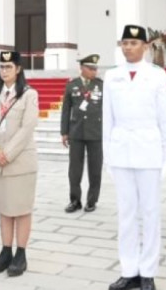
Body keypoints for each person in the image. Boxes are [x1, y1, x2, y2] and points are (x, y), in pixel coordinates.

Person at [103, 25, 166, 290]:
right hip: (121, 150)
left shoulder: (157, 75)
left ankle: (148, 272)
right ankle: (129, 270)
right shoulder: (112, 75)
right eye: (125, 43)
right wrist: (108, 156)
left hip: (149, 150)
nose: (128, 47)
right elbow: (107, 119)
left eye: (133, 43)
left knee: (150, 212)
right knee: (126, 214)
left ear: (145, 46)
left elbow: (165, 118)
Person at [0, 51, 39, 278]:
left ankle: (20, 254)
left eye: (8, 67)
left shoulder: (29, 95)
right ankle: (6, 251)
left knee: (22, 209)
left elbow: (27, 128)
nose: (4, 70)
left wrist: (7, 153)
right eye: (1, 67)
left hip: (20, 162)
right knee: (4, 209)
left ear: (18, 69)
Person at [60, 53, 103, 213]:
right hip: (76, 132)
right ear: (82, 68)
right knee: (74, 170)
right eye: (90, 68)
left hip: (96, 132)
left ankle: (92, 201)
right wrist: (64, 132)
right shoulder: (72, 85)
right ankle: (75, 200)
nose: (94, 71)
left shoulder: (101, 85)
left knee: (95, 169)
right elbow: (66, 110)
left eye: (95, 68)